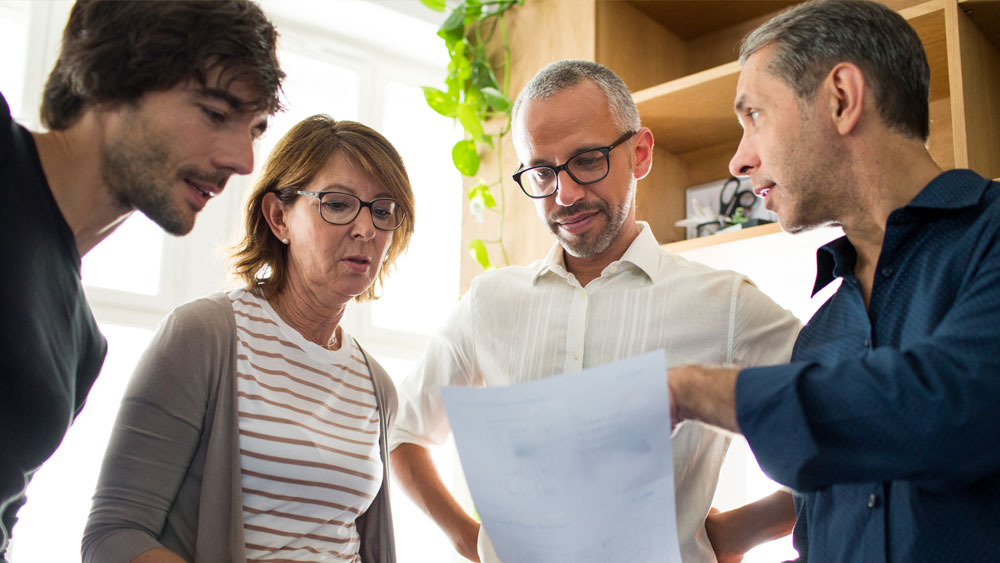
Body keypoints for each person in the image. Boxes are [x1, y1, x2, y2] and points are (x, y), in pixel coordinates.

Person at [390, 59, 803, 563]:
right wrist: (469, 540)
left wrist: (742, 530)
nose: (565, 195)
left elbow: (856, 422)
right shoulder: (489, 302)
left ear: (640, 153)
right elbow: (404, 430)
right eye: (542, 171)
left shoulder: (727, 304)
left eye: (587, 161)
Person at [667, 0, 1000, 561]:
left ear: (841, 98)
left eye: (754, 116)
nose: (738, 161)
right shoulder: (822, 332)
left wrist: (688, 390)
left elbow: (941, 406)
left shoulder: (991, 236)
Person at [0, 0, 283, 557]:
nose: (244, 159)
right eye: (214, 112)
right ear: (110, 81)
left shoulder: (81, 344)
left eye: (254, 128)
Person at [82, 115, 414, 562]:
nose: (366, 229)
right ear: (279, 218)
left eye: (383, 210)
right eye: (338, 204)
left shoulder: (377, 388)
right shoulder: (203, 339)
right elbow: (114, 535)